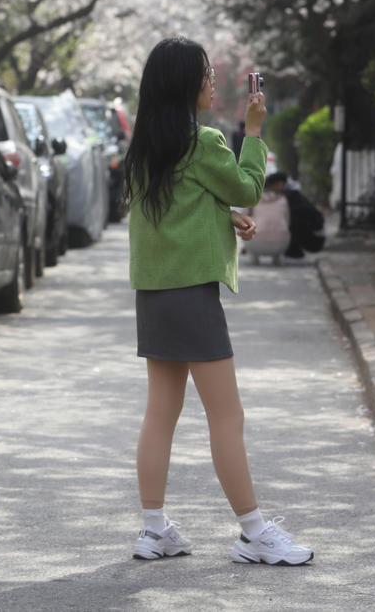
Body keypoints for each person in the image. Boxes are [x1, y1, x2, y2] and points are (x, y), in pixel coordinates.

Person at [125, 36, 313, 566]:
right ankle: (253, 532)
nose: (213, 83)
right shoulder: (203, 142)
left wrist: (221, 218)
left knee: (160, 414)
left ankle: (153, 528)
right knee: (226, 416)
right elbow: (249, 186)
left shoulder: (145, 147)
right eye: (205, 75)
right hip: (192, 296)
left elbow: (171, 211)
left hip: (156, 294)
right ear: (185, 84)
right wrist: (254, 132)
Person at [266, 171, 326, 264]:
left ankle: (294, 253)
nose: (272, 189)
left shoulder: (291, 196)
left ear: (280, 184)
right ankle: (293, 252)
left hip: (315, 238)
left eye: (273, 186)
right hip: (316, 235)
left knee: (288, 223)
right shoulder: (293, 193)